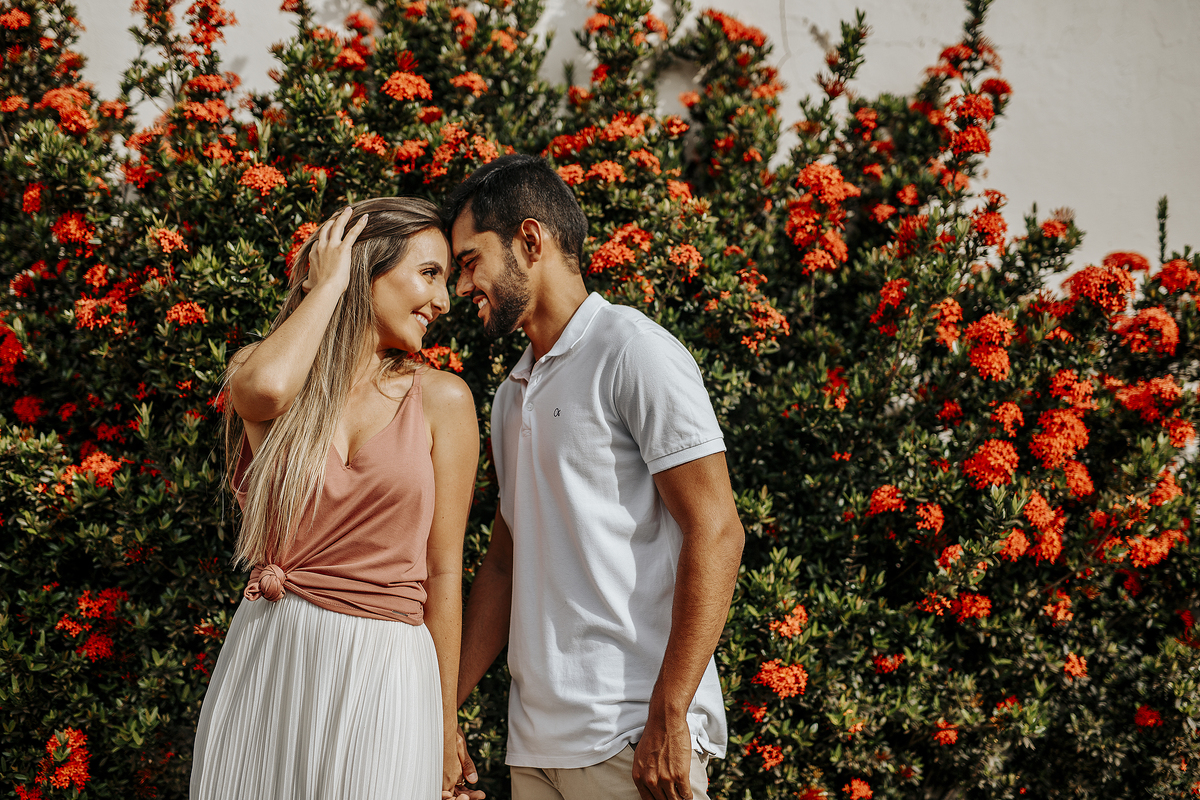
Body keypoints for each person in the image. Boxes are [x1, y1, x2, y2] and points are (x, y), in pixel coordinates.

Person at [445, 155, 745, 800]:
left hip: (634, 738)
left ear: (530, 240)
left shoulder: (632, 351)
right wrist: (444, 709)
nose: (460, 287)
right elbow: (504, 562)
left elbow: (717, 530)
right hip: (535, 748)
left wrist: (670, 715)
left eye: (471, 261)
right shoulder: (510, 395)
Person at [191, 199, 480, 800]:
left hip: (388, 666)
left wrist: (446, 722)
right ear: (363, 267)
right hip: (274, 652)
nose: (444, 300)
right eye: (428, 273)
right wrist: (329, 286)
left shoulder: (445, 400)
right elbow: (264, 390)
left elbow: (445, 571)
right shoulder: (269, 374)